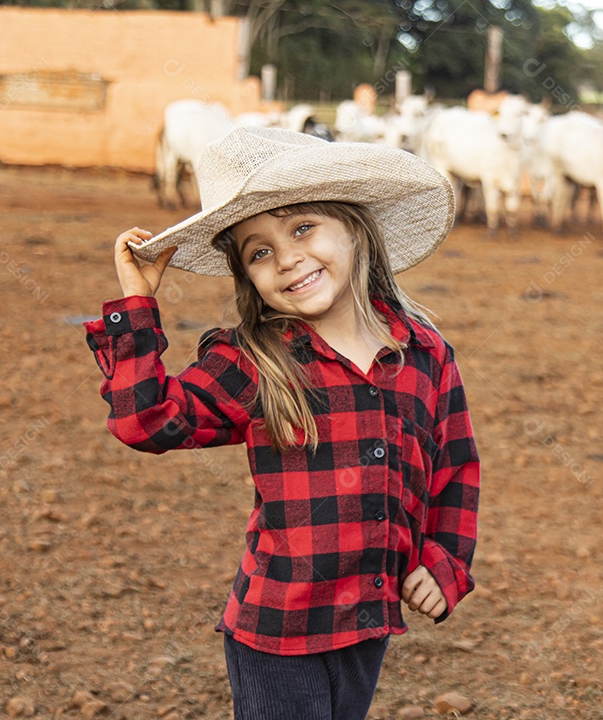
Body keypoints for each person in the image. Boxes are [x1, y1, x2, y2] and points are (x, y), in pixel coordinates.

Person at [83, 127, 480, 720]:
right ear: (249, 278)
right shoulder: (254, 361)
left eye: (302, 228)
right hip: (277, 631)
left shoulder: (425, 353)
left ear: (355, 227)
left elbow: (456, 469)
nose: (287, 257)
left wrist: (444, 560)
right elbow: (147, 421)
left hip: (367, 621)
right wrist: (137, 301)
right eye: (259, 251)